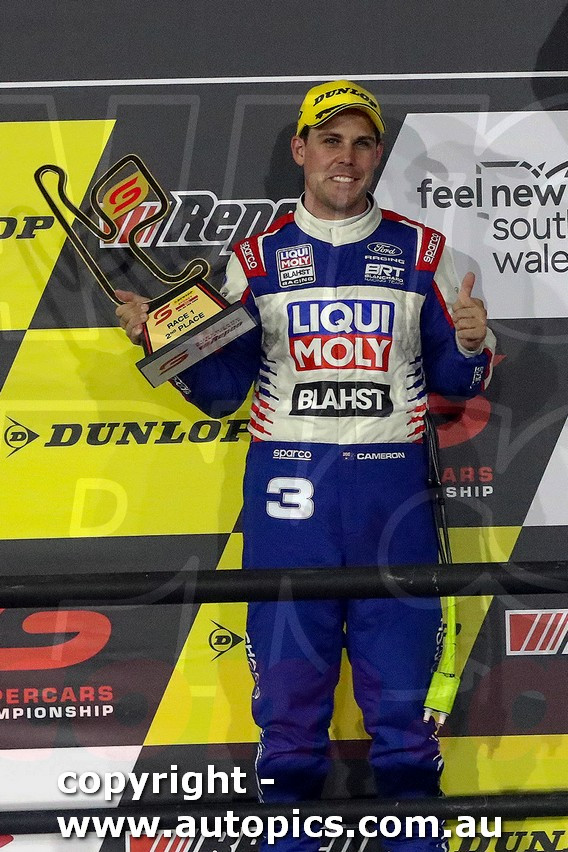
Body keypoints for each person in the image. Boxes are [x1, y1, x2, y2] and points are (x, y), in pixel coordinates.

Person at [116, 80, 496, 852]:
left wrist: (468, 343)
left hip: (394, 502)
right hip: (292, 505)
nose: (345, 159)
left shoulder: (428, 254)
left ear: (377, 154)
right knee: (289, 718)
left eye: (361, 143)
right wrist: (158, 343)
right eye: (330, 141)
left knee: (404, 722)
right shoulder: (251, 261)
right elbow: (223, 393)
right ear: (300, 150)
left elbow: (456, 385)